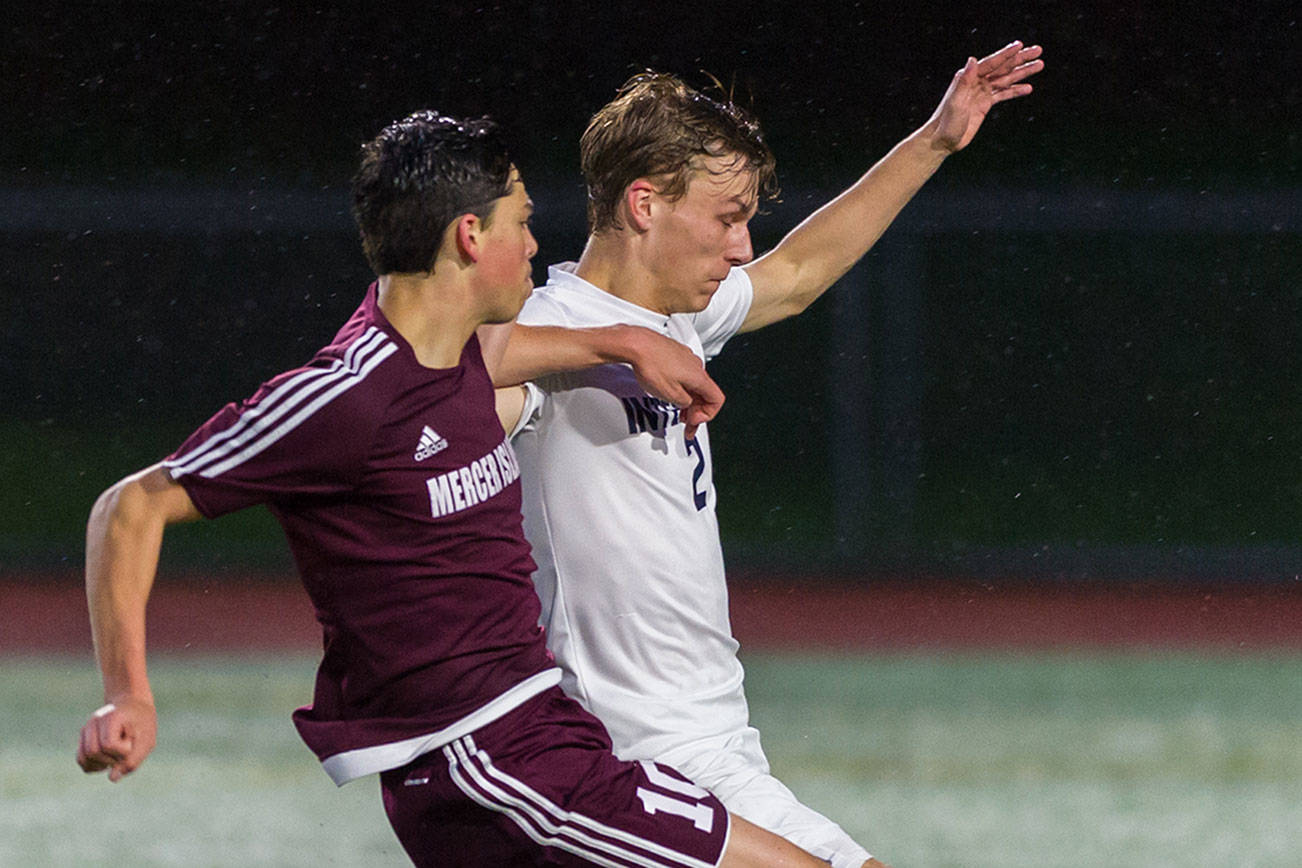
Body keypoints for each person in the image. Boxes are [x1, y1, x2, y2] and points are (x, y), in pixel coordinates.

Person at [75, 109, 839, 867]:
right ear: (471, 236)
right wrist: (129, 694)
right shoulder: (350, 398)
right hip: (485, 760)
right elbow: (131, 505)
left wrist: (624, 340)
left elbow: (502, 350)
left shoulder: (458, 362)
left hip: (541, 741)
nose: (537, 245)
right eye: (523, 222)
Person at [505, 42, 1044, 868]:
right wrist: (599, 345)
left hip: (714, 748)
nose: (743, 246)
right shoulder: (544, 337)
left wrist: (934, 139)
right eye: (726, 218)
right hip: (631, 762)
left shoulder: (675, 316)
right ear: (644, 204)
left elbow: (796, 274)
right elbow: (428, 375)